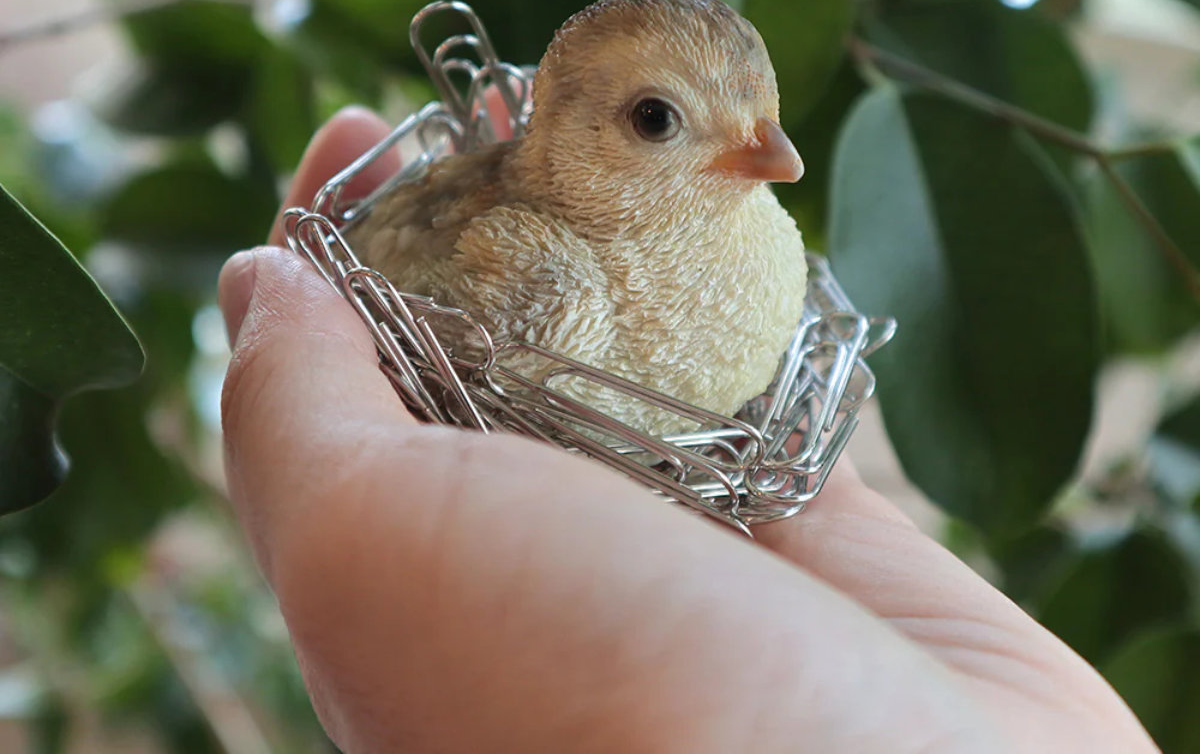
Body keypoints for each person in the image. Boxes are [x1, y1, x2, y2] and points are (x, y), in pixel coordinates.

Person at [219, 107, 1156, 753]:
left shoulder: (767, 242)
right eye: (659, 120)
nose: (778, 158)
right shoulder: (548, 281)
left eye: (764, 114)